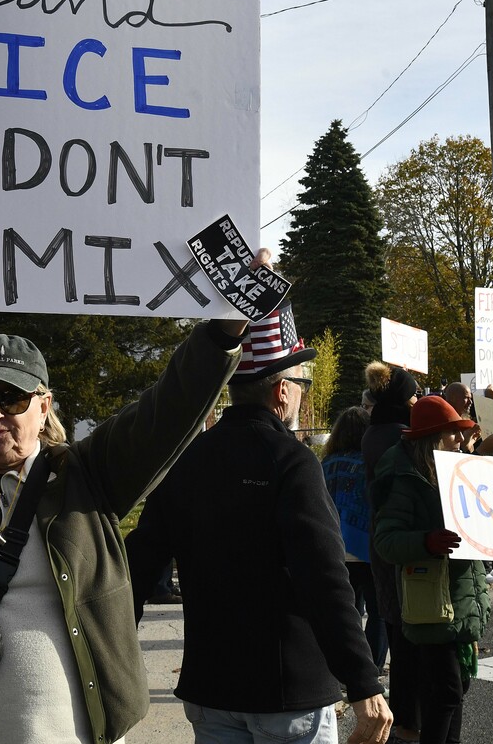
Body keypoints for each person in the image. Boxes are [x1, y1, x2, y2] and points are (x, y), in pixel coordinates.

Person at [0, 239, 247, 744]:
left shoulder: (88, 477)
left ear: (44, 407)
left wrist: (224, 330)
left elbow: (166, 411)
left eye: (12, 398)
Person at [126, 319, 392, 744]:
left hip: (211, 685)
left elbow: (137, 564)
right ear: (281, 392)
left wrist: (111, 658)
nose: (303, 389)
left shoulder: (190, 459)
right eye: (301, 380)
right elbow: (323, 578)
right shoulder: (292, 460)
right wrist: (363, 681)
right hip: (287, 690)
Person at [371, 396, 492, 744]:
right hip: (433, 604)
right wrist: (426, 542)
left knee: (455, 691)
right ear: (432, 437)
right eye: (452, 432)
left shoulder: (454, 473)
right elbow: (387, 542)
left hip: (459, 596)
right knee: (447, 693)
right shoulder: (407, 479)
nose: (460, 439)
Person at [361, 362, 422, 743]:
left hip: (381, 543)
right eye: (413, 394)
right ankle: (409, 721)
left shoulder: (374, 432)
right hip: (404, 543)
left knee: (398, 629)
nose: (417, 399)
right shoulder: (401, 436)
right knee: (411, 630)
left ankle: (405, 718)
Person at [321, 406, 386, 673]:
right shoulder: (372, 463)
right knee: (379, 612)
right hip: (368, 547)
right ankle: (373, 669)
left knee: (347, 614)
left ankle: (347, 668)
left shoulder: (325, 464)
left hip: (335, 547)